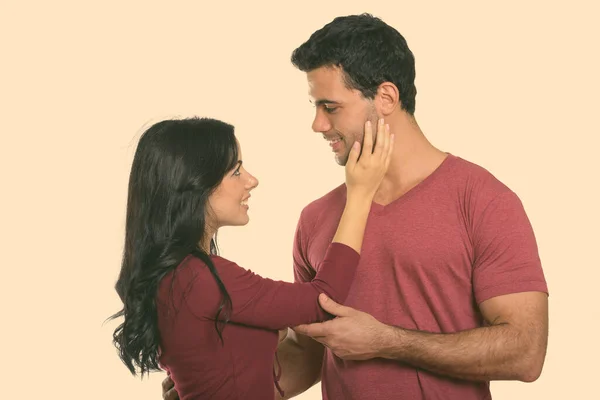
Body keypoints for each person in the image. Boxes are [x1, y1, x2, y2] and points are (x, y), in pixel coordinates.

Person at [162, 13, 549, 400]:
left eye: (330, 107)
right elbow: (308, 354)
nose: (317, 124)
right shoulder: (316, 219)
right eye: (315, 106)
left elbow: (526, 352)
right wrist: (217, 383)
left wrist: (389, 342)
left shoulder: (483, 201)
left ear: (385, 98)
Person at [109, 116, 394, 399]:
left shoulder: (180, 276)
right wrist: (359, 194)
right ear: (195, 184)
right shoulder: (197, 278)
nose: (251, 180)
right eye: (235, 171)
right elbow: (325, 300)